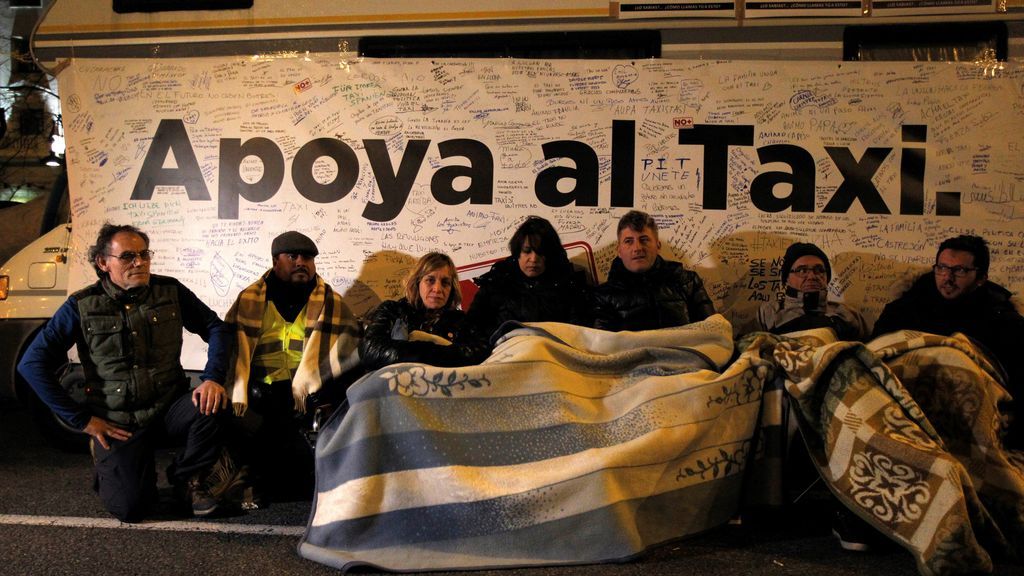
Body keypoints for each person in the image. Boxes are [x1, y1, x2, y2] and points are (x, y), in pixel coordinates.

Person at [17, 223, 236, 522]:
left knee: (214, 405)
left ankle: (189, 480)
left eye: (145, 254)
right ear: (103, 263)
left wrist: (212, 377)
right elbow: (31, 364)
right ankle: (115, 467)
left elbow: (216, 328)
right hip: (118, 422)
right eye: (128, 256)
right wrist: (81, 420)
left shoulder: (169, 291)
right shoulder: (81, 306)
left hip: (168, 408)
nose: (140, 262)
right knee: (130, 509)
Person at [224, 231, 361, 501]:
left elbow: (349, 352)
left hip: (306, 396)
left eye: (308, 257)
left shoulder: (331, 303)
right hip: (260, 392)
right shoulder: (250, 300)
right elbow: (229, 350)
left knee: (294, 479)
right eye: (293, 256)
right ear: (276, 261)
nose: (302, 262)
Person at [873, 234, 1024, 445]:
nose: (947, 278)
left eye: (960, 271)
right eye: (942, 268)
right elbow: (876, 357)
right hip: (908, 410)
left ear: (981, 278)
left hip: (973, 420)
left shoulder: (1003, 320)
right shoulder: (903, 309)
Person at [360, 252, 490, 371]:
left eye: (445, 283)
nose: (437, 289)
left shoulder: (461, 320)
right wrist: (435, 349)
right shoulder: (392, 310)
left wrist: (421, 346)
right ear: (417, 282)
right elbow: (370, 350)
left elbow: (479, 354)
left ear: (452, 289)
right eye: (430, 280)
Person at [466, 216, 591, 339]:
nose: (534, 259)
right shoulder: (498, 280)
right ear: (518, 252)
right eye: (527, 251)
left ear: (550, 255)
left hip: (552, 354)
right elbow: (473, 324)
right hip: (504, 354)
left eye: (541, 252)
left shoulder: (567, 283)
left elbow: (579, 332)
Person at [593, 210, 716, 331]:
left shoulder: (688, 282)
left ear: (658, 245)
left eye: (644, 239)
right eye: (629, 241)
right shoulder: (604, 296)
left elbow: (712, 333)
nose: (637, 248)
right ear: (619, 250)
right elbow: (602, 346)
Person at [757, 242, 867, 341]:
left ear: (826, 277)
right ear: (787, 279)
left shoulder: (847, 314)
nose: (812, 276)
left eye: (819, 270)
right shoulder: (768, 313)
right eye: (802, 270)